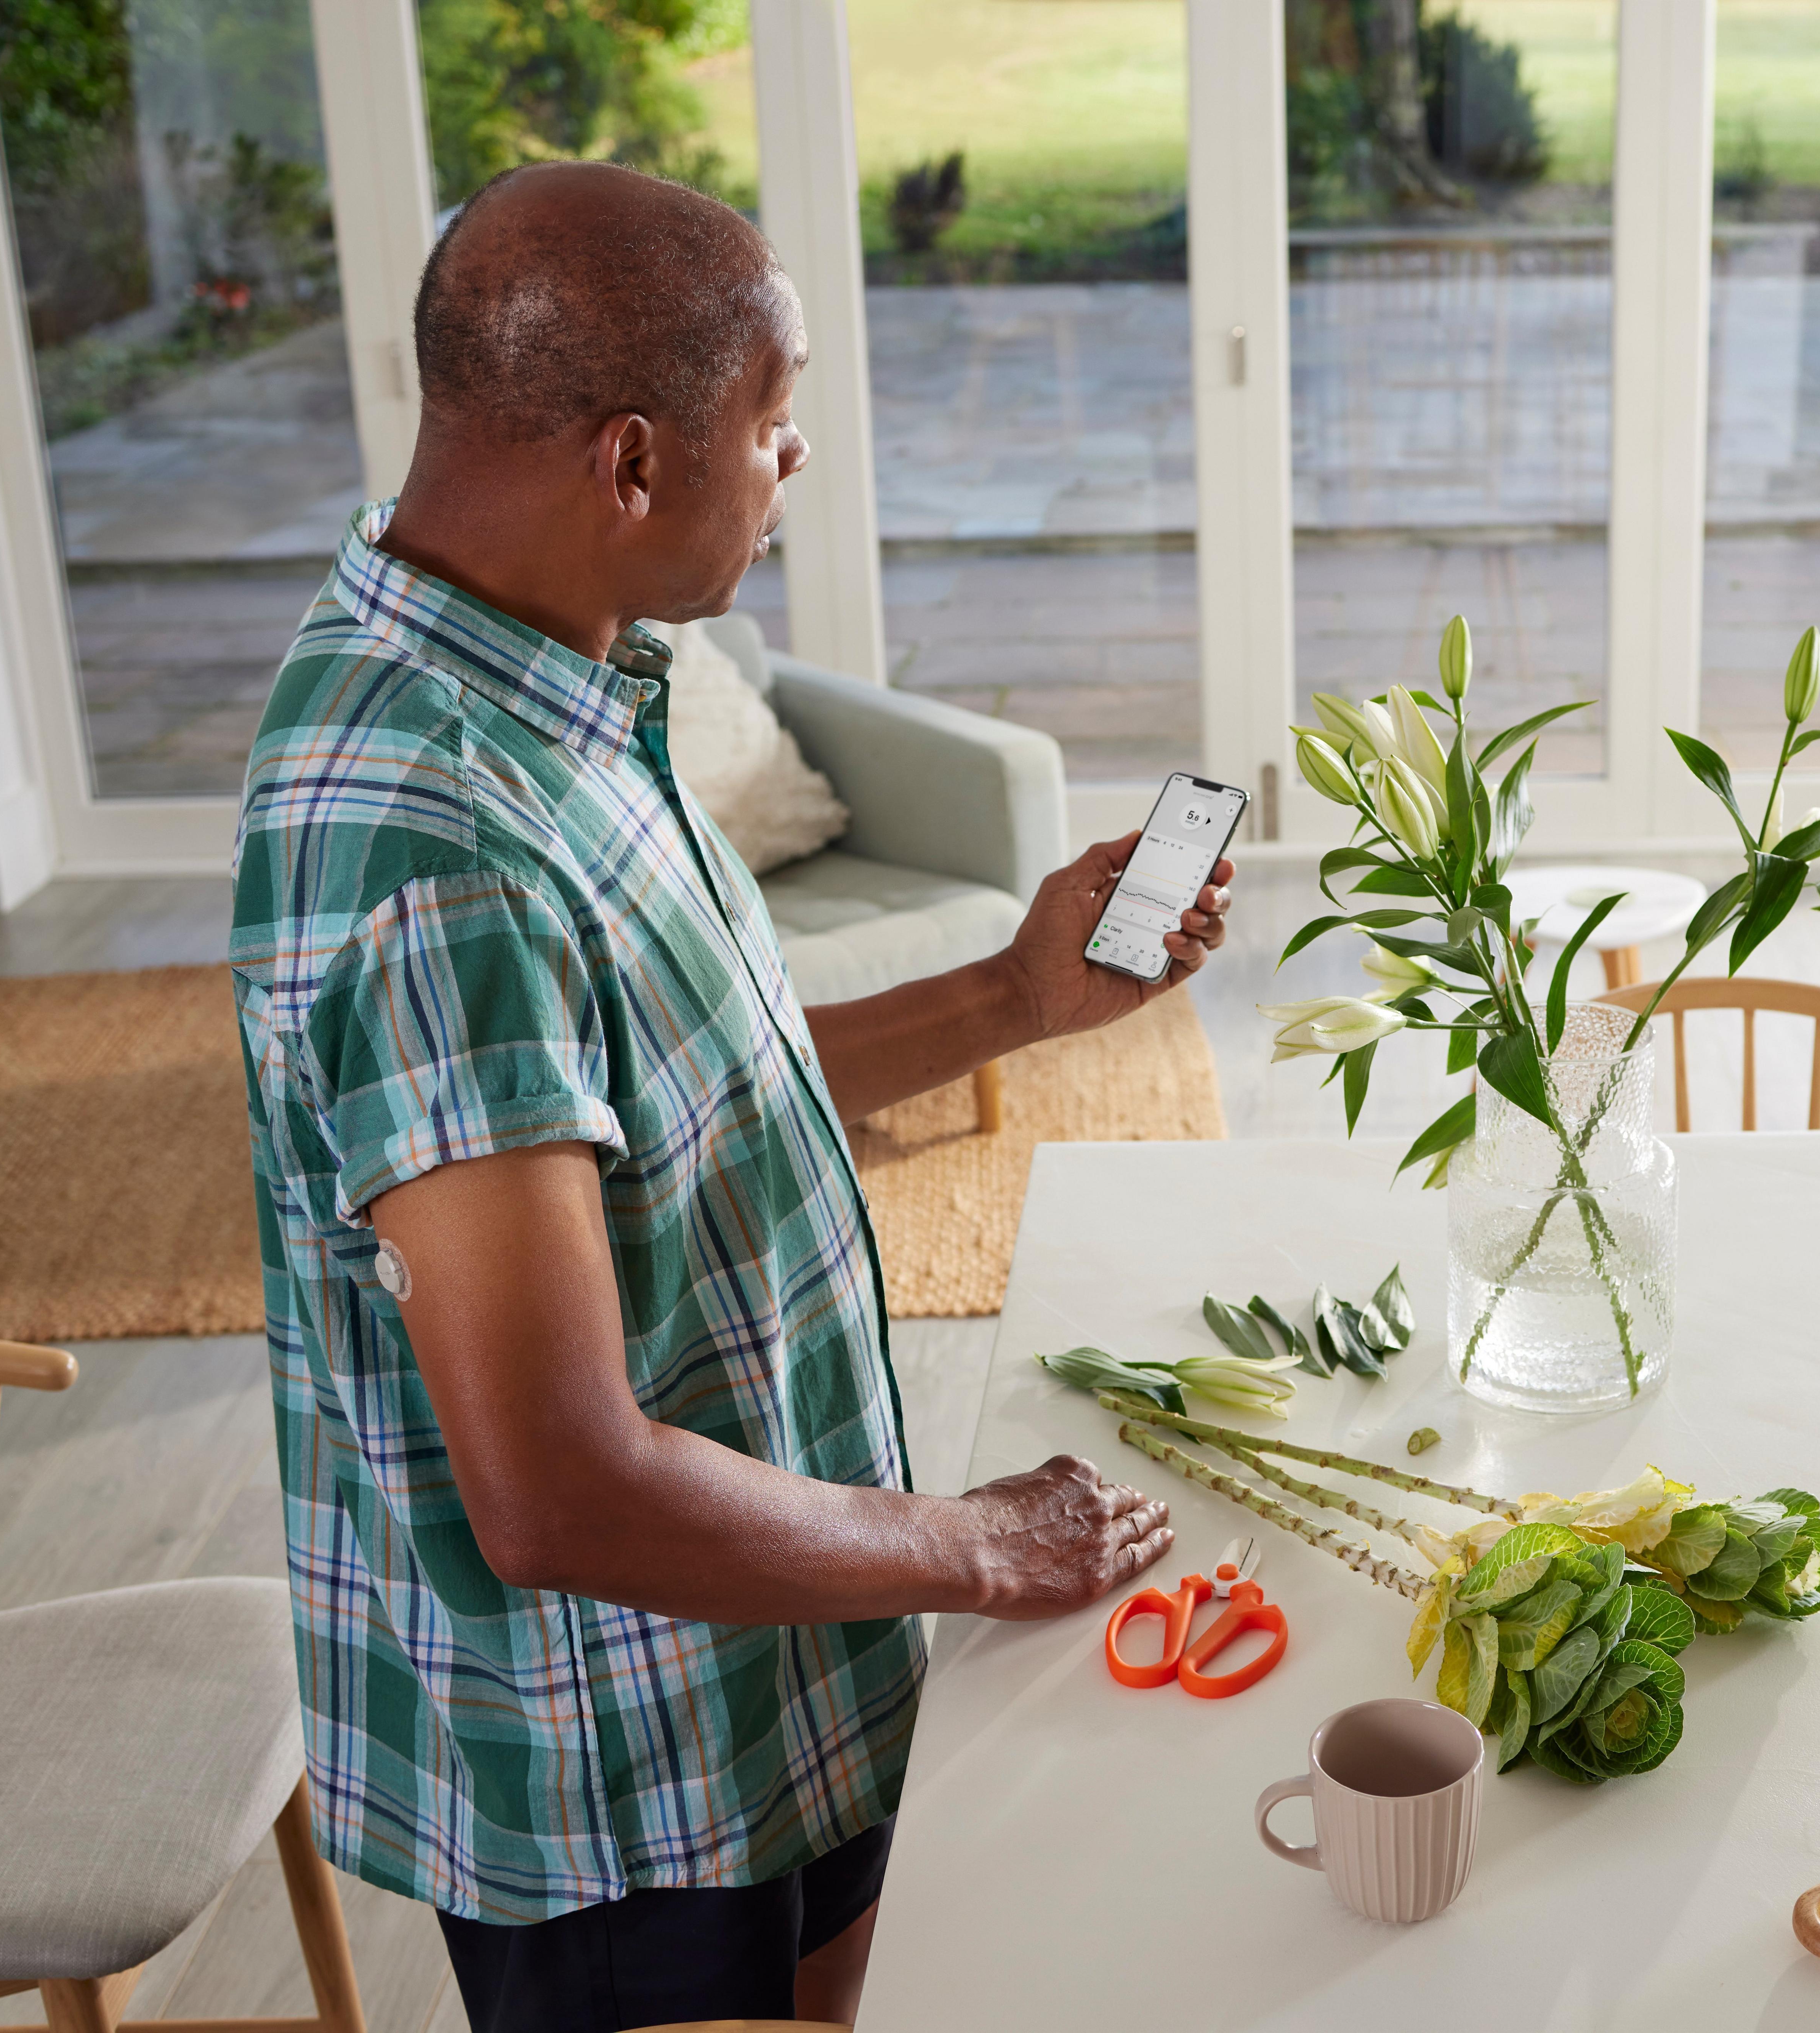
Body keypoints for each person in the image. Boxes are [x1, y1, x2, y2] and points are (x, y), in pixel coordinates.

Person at [229, 161, 1221, 2031]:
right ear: (628, 463)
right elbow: (557, 1490)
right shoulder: (429, 846)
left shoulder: (566, 686)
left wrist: (1015, 991)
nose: (795, 465)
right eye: (772, 429)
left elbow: (692, 1105)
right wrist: (976, 1545)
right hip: (634, 1778)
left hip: (776, 1662)